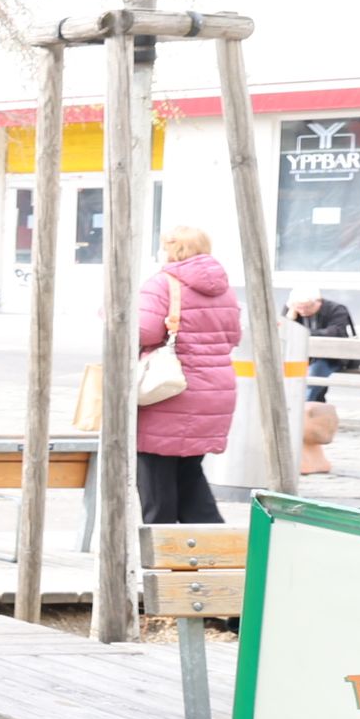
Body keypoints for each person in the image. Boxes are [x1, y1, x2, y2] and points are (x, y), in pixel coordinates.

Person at [130, 225, 245, 526]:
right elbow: (234, 336)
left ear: (171, 249)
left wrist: (112, 313)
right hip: (215, 391)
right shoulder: (224, 288)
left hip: (170, 390)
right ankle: (210, 547)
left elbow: (142, 330)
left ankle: (161, 550)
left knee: (157, 478)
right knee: (189, 472)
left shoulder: (162, 284)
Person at [288, 288, 359, 476]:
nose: (303, 312)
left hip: (332, 358)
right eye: (298, 308)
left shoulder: (336, 309)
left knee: (316, 374)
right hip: (302, 358)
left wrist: (303, 331)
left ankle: (302, 410)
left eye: (306, 308)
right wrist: (290, 315)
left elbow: (335, 333)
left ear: (318, 302)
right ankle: (301, 409)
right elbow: (283, 329)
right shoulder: (293, 311)